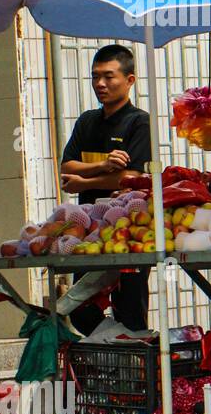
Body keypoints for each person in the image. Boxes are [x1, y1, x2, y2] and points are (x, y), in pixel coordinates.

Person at [60, 44, 152, 334]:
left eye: (109, 76)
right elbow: (66, 168)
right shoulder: (87, 121)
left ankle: (134, 360)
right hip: (87, 233)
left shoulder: (139, 122)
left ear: (130, 80)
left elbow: (131, 178)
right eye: (95, 76)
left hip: (128, 232)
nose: (100, 84)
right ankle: (114, 346)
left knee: (129, 309)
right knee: (78, 308)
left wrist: (83, 182)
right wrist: (103, 166)